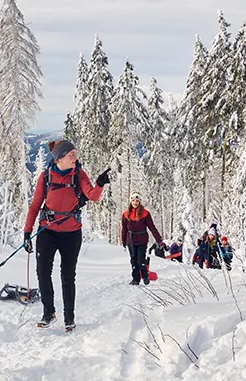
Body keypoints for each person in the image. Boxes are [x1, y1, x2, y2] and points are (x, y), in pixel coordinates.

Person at [23, 140, 110, 331]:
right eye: (71, 154)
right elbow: (35, 205)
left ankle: (69, 317)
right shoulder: (45, 177)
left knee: (67, 276)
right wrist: (27, 231)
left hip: (71, 233)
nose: (75, 158)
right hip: (47, 232)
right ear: (60, 157)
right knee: (43, 272)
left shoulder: (78, 175)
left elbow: (92, 195)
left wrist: (99, 184)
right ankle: (48, 313)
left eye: (75, 154)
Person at [120, 192, 164, 285]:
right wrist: (123, 241)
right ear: (130, 202)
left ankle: (145, 275)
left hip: (142, 240)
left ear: (139, 202)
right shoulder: (125, 214)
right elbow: (124, 229)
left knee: (140, 260)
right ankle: (135, 279)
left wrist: (159, 240)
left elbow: (152, 227)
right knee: (133, 260)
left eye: (137, 201)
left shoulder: (145, 213)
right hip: (130, 240)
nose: (135, 203)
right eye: (133, 201)